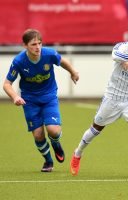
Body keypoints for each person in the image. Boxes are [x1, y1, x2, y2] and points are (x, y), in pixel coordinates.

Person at [70, 21, 128, 178]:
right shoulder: (122, 47)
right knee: (96, 129)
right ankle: (77, 153)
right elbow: (115, 55)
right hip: (112, 97)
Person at [3, 29, 79, 172]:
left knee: (53, 131)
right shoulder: (19, 61)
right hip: (29, 100)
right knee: (38, 134)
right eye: (33, 44)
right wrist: (15, 97)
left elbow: (62, 61)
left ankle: (56, 143)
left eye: (39, 43)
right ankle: (48, 161)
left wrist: (73, 72)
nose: (37, 47)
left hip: (49, 96)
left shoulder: (49, 54)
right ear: (25, 45)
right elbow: (7, 84)